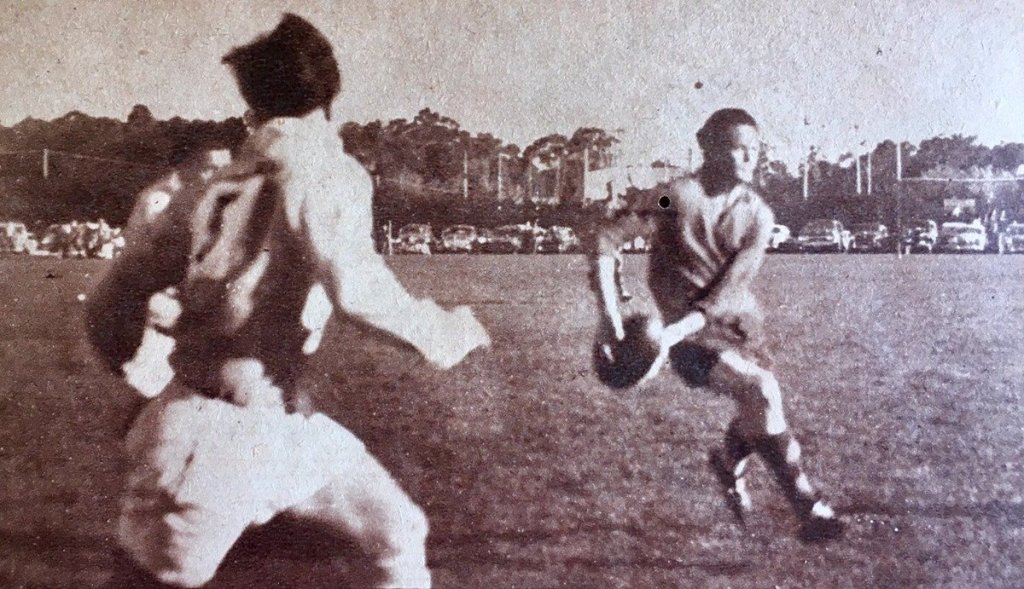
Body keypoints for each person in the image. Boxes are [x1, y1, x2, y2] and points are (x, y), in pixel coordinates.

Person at [86, 13, 489, 587]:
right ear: (330, 91)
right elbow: (358, 291)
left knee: (398, 533)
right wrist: (448, 332)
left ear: (252, 101)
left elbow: (109, 303)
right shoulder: (326, 167)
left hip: (273, 426)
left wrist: (153, 388)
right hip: (223, 436)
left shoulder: (213, 182)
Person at [591, 108, 844, 542]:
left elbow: (728, 291)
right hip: (693, 340)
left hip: (740, 327)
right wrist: (609, 316)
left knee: (759, 407)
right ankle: (810, 508)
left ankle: (728, 465)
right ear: (708, 148)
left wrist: (669, 334)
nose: (748, 157)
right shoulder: (674, 199)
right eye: (736, 147)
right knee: (761, 392)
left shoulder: (758, 215)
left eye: (754, 149)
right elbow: (607, 239)